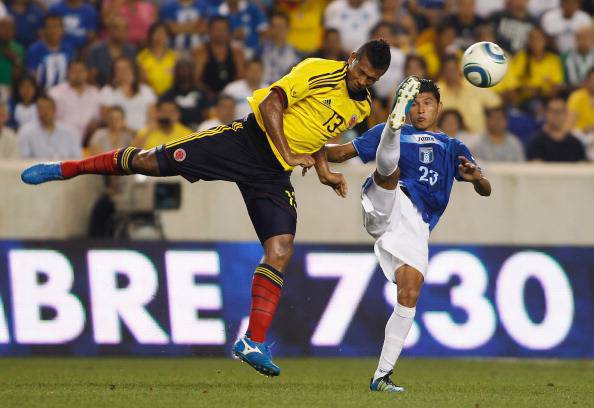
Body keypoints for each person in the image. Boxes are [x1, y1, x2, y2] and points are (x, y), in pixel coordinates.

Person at [21, 39, 391, 377]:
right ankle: (67, 168)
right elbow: (271, 104)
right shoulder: (317, 70)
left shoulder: (360, 106)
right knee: (149, 162)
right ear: (352, 58)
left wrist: (324, 171)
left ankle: (252, 342)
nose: (362, 80)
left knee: (280, 248)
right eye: (360, 71)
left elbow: (318, 137)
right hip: (245, 142)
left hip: (272, 175)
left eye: (371, 78)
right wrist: (290, 152)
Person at [324, 76, 491, 392]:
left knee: (409, 293)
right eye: (414, 104)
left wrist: (477, 178)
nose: (421, 109)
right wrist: (304, 149)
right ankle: (393, 128)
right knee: (391, 172)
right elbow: (341, 152)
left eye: (427, 103)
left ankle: (381, 376)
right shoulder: (392, 133)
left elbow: (486, 189)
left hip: (415, 225)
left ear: (439, 107)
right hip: (387, 200)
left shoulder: (452, 147)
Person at [99, 56, 157, 132]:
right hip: (119, 133)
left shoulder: (146, 90)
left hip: (144, 134)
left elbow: (152, 117)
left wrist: (144, 134)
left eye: (125, 68)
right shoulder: (107, 90)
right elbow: (106, 118)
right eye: (118, 69)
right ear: (114, 72)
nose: (122, 72)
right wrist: (130, 132)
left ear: (132, 70)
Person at [49, 60, 100, 144]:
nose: (78, 74)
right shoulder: (55, 93)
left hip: (89, 140)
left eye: (81, 71)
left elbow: (98, 118)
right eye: (74, 71)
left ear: (87, 73)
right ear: (67, 73)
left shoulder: (95, 93)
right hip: (62, 140)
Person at [194, 16, 245, 99]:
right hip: (207, 96)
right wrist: (209, 95)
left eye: (223, 29)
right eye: (217, 29)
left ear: (229, 31)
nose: (220, 33)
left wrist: (229, 93)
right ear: (209, 31)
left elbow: (240, 78)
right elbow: (196, 80)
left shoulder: (237, 53)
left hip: (231, 96)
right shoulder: (200, 52)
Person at [526, 95, 585, 162]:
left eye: (560, 111)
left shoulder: (575, 144)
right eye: (553, 111)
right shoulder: (536, 143)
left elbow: (581, 165)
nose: (557, 115)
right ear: (546, 113)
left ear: (566, 114)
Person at [26, 13, 75, 89]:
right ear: (43, 30)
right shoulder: (35, 50)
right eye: (50, 26)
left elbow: (73, 72)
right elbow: (32, 74)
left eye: (57, 26)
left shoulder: (68, 48)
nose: (54, 30)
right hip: (42, 91)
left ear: (62, 30)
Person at [85, 16, 137, 86]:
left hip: (125, 88)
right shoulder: (96, 50)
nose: (121, 32)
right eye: (117, 28)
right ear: (109, 30)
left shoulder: (131, 51)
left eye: (125, 29)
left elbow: (134, 75)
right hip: (100, 89)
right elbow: (91, 78)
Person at [161, 58, 210, 129]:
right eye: (181, 70)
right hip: (177, 131)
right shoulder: (168, 94)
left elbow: (207, 114)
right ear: (176, 72)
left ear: (192, 71)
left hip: (199, 129)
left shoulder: (201, 92)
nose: (184, 73)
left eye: (187, 69)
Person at [260, 12, 301, 85]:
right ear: (270, 28)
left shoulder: (296, 53)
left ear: (288, 28)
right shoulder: (261, 50)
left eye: (281, 27)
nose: (278, 30)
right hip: (264, 87)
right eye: (275, 27)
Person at [137, 22, 177, 96]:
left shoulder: (175, 57)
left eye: (163, 33)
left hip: (171, 97)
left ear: (168, 37)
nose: (160, 36)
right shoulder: (141, 57)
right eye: (156, 33)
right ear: (150, 36)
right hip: (148, 96)